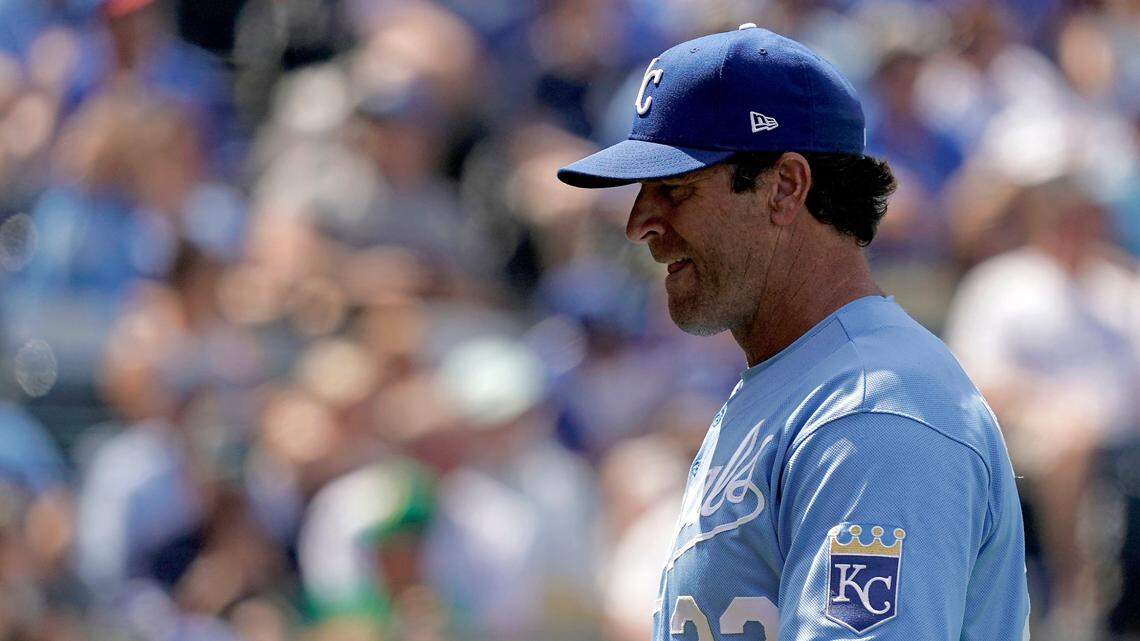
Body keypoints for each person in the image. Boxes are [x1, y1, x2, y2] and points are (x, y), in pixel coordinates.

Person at [556, 24, 1030, 640]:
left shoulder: (870, 413)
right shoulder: (802, 384)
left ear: (785, 186)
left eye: (674, 189)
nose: (640, 223)